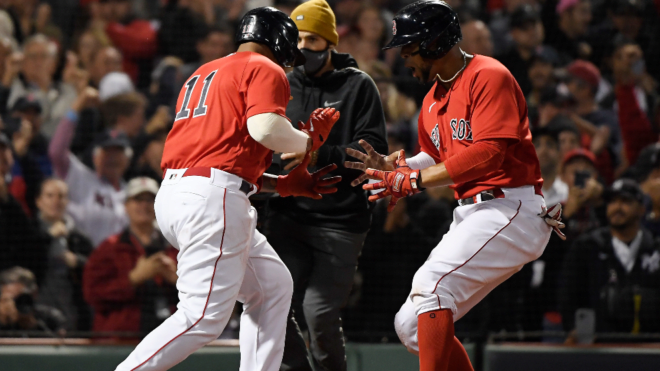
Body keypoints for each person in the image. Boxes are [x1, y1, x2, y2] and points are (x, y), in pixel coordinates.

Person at [114, 8, 341, 371]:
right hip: (212, 200)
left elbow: (222, 157)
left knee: (273, 286)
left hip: (181, 192)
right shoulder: (263, 66)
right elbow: (265, 129)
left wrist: (281, 184)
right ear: (278, 41)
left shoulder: (203, 72)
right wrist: (308, 141)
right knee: (202, 318)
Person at [344, 2, 562, 370]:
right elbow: (435, 158)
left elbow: (490, 153)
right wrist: (399, 167)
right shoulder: (431, 99)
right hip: (474, 211)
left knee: (431, 288)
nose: (403, 58)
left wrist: (412, 180)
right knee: (410, 325)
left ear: (434, 44)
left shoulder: (488, 75)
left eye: (409, 48)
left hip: (510, 207)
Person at [264, 1, 388, 370]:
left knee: (317, 314)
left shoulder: (358, 85)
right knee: (275, 305)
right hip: (289, 217)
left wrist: (316, 153)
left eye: (313, 39)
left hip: (341, 220)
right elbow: (264, 143)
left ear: (330, 42)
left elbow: (373, 155)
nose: (304, 47)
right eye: (298, 38)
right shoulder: (282, 82)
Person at [560, 179, 660, 340]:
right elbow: (568, 295)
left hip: (648, 349)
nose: (617, 207)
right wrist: (572, 328)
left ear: (642, 209)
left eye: (625, 201)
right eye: (612, 201)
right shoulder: (587, 247)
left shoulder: (655, 249)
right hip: (599, 348)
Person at [83, 177, 178, 336]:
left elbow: (205, 297)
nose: (144, 205)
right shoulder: (109, 248)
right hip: (122, 340)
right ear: (126, 205)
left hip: (171, 340)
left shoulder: (176, 247)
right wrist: (133, 279)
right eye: (137, 199)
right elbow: (92, 295)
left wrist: (177, 280)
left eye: (150, 200)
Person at [49, 87, 132, 247]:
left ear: (128, 159)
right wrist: (77, 107)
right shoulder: (81, 178)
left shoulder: (132, 193)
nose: (112, 159)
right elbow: (56, 151)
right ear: (96, 157)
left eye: (118, 153)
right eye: (107, 153)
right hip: (83, 260)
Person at [34, 178, 94, 331]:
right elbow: (24, 260)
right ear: (39, 201)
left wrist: (78, 261)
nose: (56, 201)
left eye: (61, 196)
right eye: (50, 196)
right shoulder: (28, 233)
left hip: (73, 312)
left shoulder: (80, 238)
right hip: (36, 312)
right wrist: (48, 238)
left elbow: (97, 269)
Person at [7, 34, 78, 138]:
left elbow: (65, 122)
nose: (38, 62)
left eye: (44, 56)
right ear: (23, 64)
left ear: (54, 64)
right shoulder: (14, 89)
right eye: (33, 57)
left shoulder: (67, 90)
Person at [0, 267, 66, 337]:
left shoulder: (52, 318)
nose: (13, 305)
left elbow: (63, 345)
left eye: (20, 299)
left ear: (34, 293)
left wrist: (34, 326)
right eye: (8, 299)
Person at [533, 124, 569, 206]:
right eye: (537, 145)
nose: (543, 150)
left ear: (559, 154)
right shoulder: (520, 194)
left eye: (550, 144)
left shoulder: (568, 192)